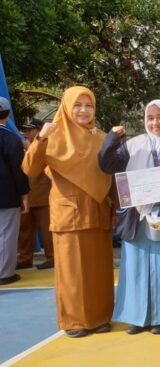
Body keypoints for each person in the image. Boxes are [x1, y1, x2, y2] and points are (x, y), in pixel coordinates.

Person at [22, 86, 115, 337]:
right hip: (68, 215)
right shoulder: (52, 136)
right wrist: (40, 139)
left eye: (89, 105)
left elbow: (112, 177)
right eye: (77, 105)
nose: (84, 110)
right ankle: (74, 321)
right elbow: (30, 169)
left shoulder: (102, 138)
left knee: (99, 269)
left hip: (98, 211)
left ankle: (100, 317)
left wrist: (117, 209)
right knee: (72, 272)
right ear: (66, 107)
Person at [98, 100, 160, 334]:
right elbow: (106, 164)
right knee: (136, 267)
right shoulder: (133, 145)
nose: (155, 123)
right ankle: (137, 317)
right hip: (137, 216)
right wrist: (112, 138)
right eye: (150, 118)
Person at [16, 119, 54, 270]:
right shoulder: (24, 146)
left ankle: (53, 257)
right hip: (27, 195)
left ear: (40, 130)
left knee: (47, 229)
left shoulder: (47, 144)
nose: (26, 133)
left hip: (44, 195)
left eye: (30, 130)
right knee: (24, 230)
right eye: (25, 130)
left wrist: (31, 147)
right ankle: (25, 258)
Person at [0, 96, 29, 285]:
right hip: (7, 193)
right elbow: (19, 170)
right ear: (8, 114)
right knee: (6, 233)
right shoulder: (11, 139)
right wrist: (24, 194)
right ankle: (4, 273)